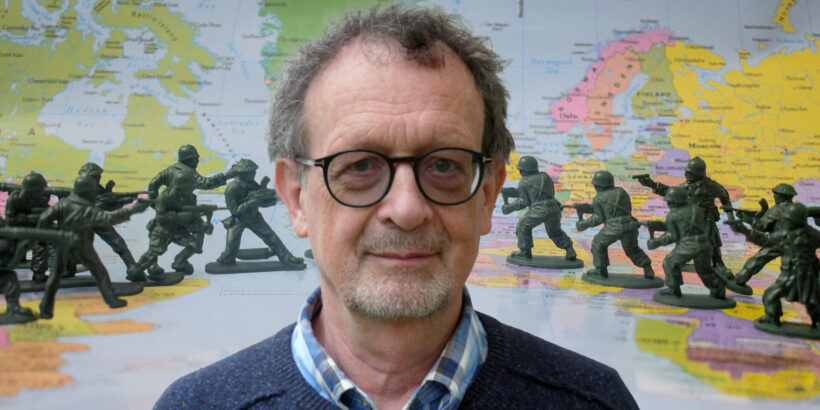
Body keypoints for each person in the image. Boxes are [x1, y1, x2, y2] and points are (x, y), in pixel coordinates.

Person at [156, 5, 637, 409]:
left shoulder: (595, 402)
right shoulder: (194, 406)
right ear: (297, 198)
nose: (406, 210)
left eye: (444, 165)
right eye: (360, 165)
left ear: (488, 194)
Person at [36, 175, 149, 318]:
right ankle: (111, 300)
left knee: (54, 277)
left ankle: (45, 306)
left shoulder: (64, 203)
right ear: (87, 191)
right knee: (99, 272)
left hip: (62, 243)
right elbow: (109, 219)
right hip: (81, 245)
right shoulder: (87, 209)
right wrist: (133, 210)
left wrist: (44, 237)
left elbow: (44, 219)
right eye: (93, 190)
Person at [728, 203, 820, 328]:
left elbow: (765, 240)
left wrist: (744, 230)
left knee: (811, 301)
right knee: (771, 295)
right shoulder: (797, 234)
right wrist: (744, 230)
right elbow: (765, 240)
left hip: (805, 274)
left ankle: (816, 321)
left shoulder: (801, 235)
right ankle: (772, 317)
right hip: (791, 274)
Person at [636, 157, 731, 273]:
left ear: (698, 174)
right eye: (686, 172)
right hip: (689, 218)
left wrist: (730, 215)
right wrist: (652, 184)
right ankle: (681, 260)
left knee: (712, 240)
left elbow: (725, 196)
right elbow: (670, 191)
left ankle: (718, 262)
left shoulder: (712, 186)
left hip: (706, 219)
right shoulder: (685, 186)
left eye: (690, 173)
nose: (686, 175)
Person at [215, 158, 305, 268]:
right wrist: (252, 202)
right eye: (251, 172)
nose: (254, 174)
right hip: (238, 220)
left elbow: (261, 202)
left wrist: (272, 201)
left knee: (271, 237)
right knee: (231, 244)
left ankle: (287, 258)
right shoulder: (232, 188)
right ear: (242, 173)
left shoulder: (252, 184)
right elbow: (235, 211)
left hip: (254, 217)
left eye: (254, 172)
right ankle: (227, 260)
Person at [647, 186, 726, 300]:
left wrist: (655, 242)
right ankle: (718, 289)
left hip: (688, 245)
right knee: (704, 270)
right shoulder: (696, 209)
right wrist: (657, 225)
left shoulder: (673, 215)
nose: (668, 204)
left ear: (675, 201)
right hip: (705, 244)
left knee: (669, 262)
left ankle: (674, 289)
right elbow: (683, 227)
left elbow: (673, 236)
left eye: (669, 202)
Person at [576, 171, 653, 279]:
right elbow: (613, 210)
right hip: (630, 225)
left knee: (598, 243)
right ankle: (647, 268)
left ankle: (600, 270)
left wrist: (583, 224)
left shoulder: (598, 198)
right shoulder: (621, 192)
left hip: (614, 228)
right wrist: (586, 207)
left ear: (598, 185)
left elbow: (599, 218)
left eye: (595, 185)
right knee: (632, 250)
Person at [501, 156, 577, 260]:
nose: (520, 172)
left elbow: (524, 202)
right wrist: (510, 192)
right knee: (555, 232)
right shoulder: (545, 176)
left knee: (523, 226)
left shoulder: (524, 182)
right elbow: (535, 193)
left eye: (521, 170)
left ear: (525, 169)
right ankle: (570, 250)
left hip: (539, 210)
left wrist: (509, 208)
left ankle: (525, 252)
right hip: (554, 209)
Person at [732, 183, 796, 286]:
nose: (774, 196)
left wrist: (747, 219)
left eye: (776, 194)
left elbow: (761, 227)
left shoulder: (776, 209)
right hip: (796, 242)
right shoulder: (797, 209)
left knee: (756, 261)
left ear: (782, 196)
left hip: (778, 242)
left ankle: (739, 280)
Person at [5, 172, 51, 282]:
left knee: (41, 245)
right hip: (16, 231)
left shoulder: (42, 199)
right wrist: (27, 218)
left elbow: (47, 213)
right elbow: (9, 220)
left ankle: (39, 273)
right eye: (39, 189)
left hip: (35, 230)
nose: (42, 192)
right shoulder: (15, 199)